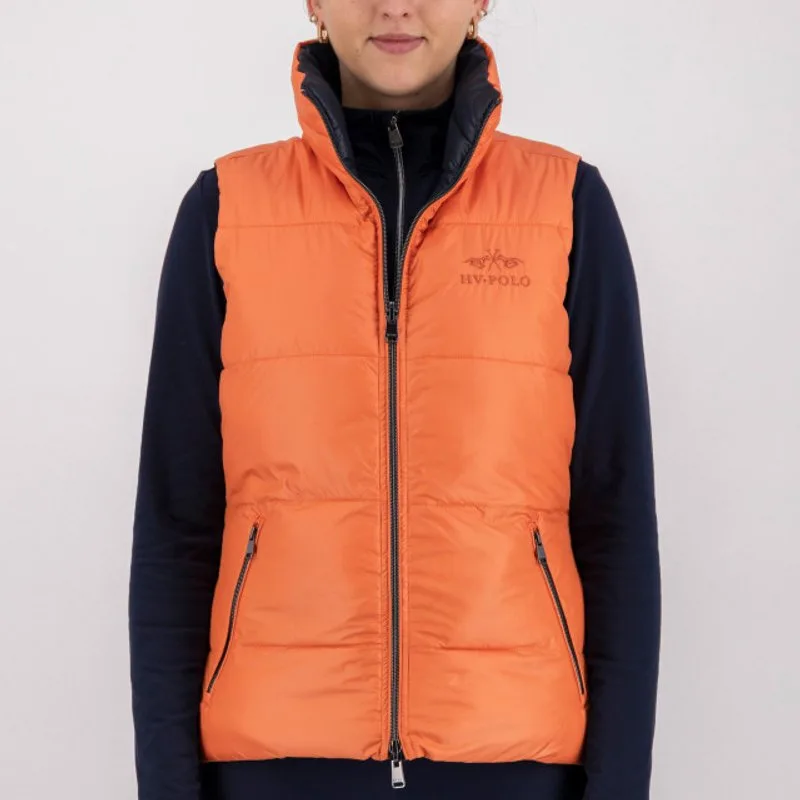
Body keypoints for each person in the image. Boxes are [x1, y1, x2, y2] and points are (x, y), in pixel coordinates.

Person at [128, 2, 662, 799]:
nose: (396, 6)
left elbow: (614, 520)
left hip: (514, 762)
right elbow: (177, 526)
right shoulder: (227, 208)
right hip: (273, 760)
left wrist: (617, 784)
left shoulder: (565, 206)